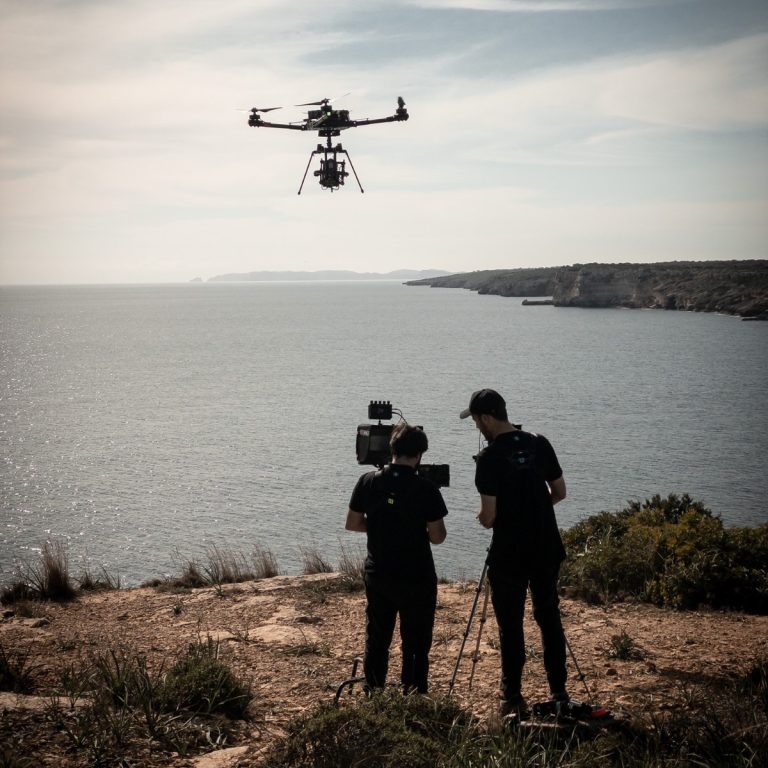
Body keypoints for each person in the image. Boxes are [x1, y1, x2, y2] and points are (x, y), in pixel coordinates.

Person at [460, 388, 569, 718]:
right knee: (548, 617)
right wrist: (534, 509)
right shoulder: (539, 442)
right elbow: (560, 492)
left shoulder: (489, 459)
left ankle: (512, 697)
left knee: (512, 624)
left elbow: (489, 517)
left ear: (488, 418)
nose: (476, 426)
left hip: (509, 551)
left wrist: (484, 518)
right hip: (546, 545)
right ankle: (559, 691)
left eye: (477, 420)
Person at [345, 423, 448, 694]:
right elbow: (438, 537)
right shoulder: (426, 489)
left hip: (379, 572)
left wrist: (381, 526)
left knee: (378, 636)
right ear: (419, 454)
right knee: (415, 640)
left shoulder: (368, 481)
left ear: (391, 449)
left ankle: (374, 692)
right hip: (417, 575)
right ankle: (413, 694)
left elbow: (353, 523)